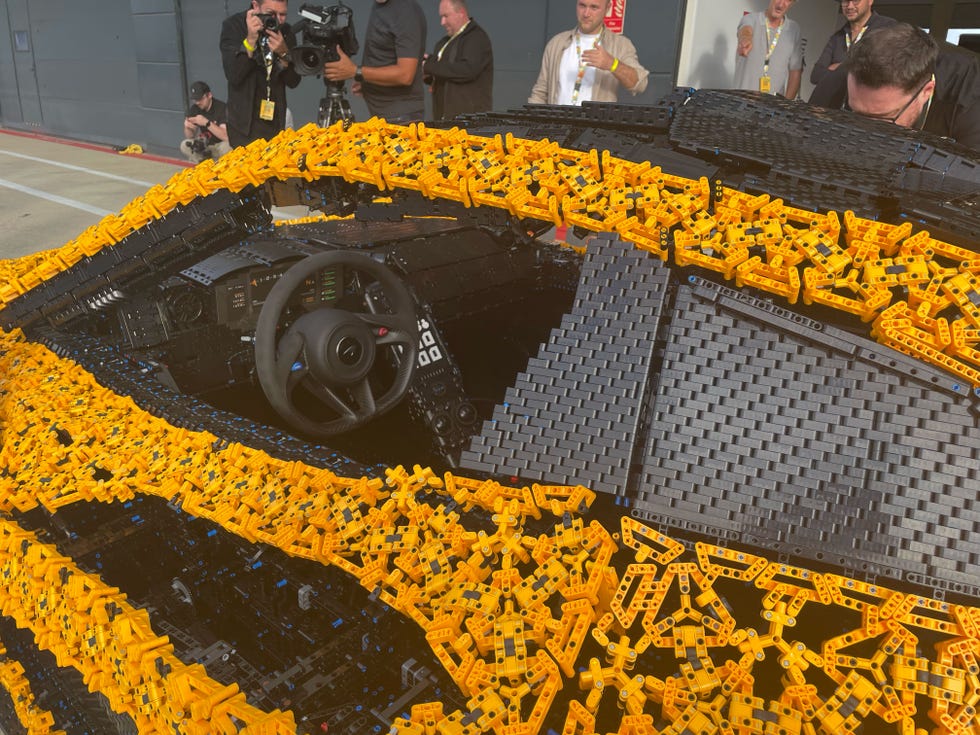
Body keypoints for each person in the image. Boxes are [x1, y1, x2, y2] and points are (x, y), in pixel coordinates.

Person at [809, 24, 980, 151]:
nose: (866, 131)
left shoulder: (970, 101)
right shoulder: (837, 82)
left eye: (884, 118)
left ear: (926, 92)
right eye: (855, 113)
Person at [323, 0, 427, 123]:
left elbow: (405, 75)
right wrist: (367, 80)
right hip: (382, 116)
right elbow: (384, 56)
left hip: (401, 119)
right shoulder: (380, 6)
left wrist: (357, 72)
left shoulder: (406, 11)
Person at [528, 0, 648, 106]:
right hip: (558, 128)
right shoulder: (557, 43)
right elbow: (540, 93)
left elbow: (640, 84)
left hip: (595, 129)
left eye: (594, 7)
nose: (586, 14)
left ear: (607, 8)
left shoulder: (620, 45)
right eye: (582, 5)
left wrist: (612, 64)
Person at [220, 0, 301, 147]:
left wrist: (283, 53)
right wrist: (250, 41)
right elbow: (234, 75)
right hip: (244, 125)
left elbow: (294, 81)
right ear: (255, 6)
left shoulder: (285, 31)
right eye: (271, 13)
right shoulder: (234, 26)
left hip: (275, 121)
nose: (277, 19)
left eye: (282, 14)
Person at [422, 0, 493, 120]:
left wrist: (428, 66)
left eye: (445, 16)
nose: (442, 22)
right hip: (444, 118)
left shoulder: (476, 38)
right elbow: (447, 72)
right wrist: (429, 75)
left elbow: (467, 70)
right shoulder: (445, 42)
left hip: (469, 122)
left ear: (461, 13)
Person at [810, 0, 896, 86]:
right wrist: (858, 67)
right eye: (845, 1)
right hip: (841, 99)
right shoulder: (837, 37)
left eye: (856, 1)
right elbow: (816, 76)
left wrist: (838, 67)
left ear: (870, 1)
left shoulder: (888, 28)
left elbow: (884, 70)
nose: (850, 6)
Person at [733, 0, 803, 100]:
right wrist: (745, 39)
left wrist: (786, 107)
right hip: (741, 102)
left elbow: (795, 72)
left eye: (787, 0)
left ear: (792, 3)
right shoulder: (751, 18)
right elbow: (745, 29)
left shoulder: (794, 29)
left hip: (772, 109)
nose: (780, 4)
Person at [180, 81, 231, 163]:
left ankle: (219, 166)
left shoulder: (222, 108)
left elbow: (225, 136)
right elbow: (190, 136)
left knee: (228, 146)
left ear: (209, 95)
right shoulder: (195, 108)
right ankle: (204, 165)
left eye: (200, 99)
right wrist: (187, 128)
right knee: (184, 144)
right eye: (195, 99)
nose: (197, 102)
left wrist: (206, 123)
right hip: (205, 145)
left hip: (219, 145)